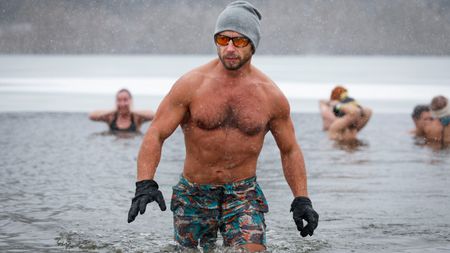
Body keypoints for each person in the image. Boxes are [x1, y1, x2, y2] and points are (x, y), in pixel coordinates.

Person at [126, 1, 319, 252]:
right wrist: (145, 183)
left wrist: (302, 199)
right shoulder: (192, 85)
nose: (229, 48)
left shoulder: (270, 96)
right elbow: (156, 132)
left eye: (238, 41)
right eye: (222, 39)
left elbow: (290, 149)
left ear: (253, 44)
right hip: (194, 193)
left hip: (243, 195)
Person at [89, 88, 154, 132]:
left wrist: (131, 110)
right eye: (119, 100)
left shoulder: (136, 118)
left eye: (125, 100)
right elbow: (92, 116)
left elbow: (153, 115)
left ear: (130, 100)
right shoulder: (111, 117)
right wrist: (115, 109)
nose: (122, 104)